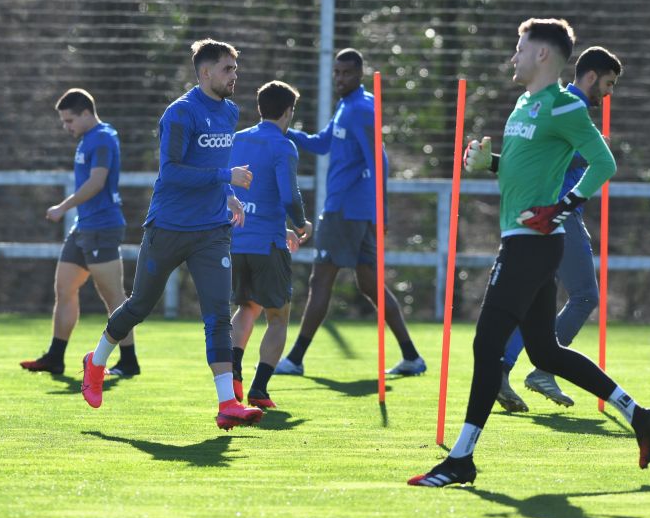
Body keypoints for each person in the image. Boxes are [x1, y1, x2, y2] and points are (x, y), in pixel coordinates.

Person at [409, 18, 650, 487]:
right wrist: (490, 165)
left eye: (520, 47)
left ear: (543, 54)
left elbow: (604, 162)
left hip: (534, 246)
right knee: (546, 350)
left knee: (486, 344)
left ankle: (461, 458)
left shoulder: (565, 105)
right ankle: (640, 415)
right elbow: (525, 172)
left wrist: (563, 207)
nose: (514, 56)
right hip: (522, 241)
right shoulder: (524, 104)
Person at [80, 39, 263, 430]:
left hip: (212, 231)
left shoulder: (230, 112)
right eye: (228, 68)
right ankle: (95, 362)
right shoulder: (180, 114)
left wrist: (227, 194)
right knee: (139, 306)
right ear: (206, 73)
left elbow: (213, 163)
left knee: (216, 316)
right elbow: (173, 172)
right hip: (168, 227)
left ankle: (227, 403)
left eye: (235, 67)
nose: (235, 75)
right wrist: (224, 178)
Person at [275, 49, 425, 379]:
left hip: (345, 210)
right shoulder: (346, 106)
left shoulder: (362, 109)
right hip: (352, 212)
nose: (340, 78)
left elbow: (379, 161)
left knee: (320, 280)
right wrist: (285, 131)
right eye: (337, 73)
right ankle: (412, 356)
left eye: (346, 73)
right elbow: (321, 143)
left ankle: (296, 358)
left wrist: (381, 212)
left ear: (359, 74)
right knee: (370, 284)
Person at [496, 46, 623, 411]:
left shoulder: (553, 103)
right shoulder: (572, 107)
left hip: (545, 213)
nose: (609, 92)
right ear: (591, 76)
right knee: (584, 295)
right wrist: (591, 153)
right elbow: (587, 160)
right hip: (559, 215)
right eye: (609, 83)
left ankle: (502, 370)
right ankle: (544, 369)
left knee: (535, 303)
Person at [22, 88, 138, 376]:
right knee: (64, 288)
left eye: (69, 120)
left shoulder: (102, 138)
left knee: (113, 297)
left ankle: (128, 360)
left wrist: (63, 206)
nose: (66, 127)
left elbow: (97, 182)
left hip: (103, 227)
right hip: (83, 228)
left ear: (87, 113)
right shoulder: (88, 138)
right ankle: (55, 356)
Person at [227, 81, 311, 408]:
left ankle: (233, 370)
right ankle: (259, 389)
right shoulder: (283, 145)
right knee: (278, 316)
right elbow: (289, 195)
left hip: (236, 239)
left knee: (246, 306)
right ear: (289, 111)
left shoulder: (237, 139)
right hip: (267, 243)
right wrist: (301, 224)